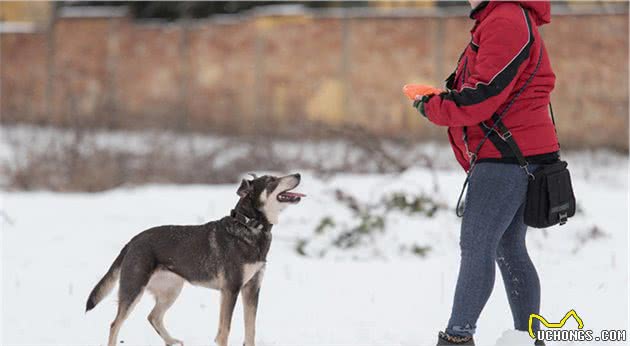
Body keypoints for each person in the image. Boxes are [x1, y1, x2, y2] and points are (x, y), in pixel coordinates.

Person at [405, 1, 559, 345]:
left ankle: (458, 337)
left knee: (477, 245)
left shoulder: (506, 18)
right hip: (517, 151)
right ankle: (527, 337)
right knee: (508, 246)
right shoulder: (503, 17)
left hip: (507, 156)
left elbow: (484, 95)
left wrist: (435, 106)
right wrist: (443, 98)